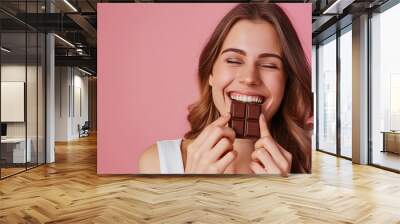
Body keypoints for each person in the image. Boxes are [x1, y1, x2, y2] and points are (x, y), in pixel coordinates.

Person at [139, 3, 313, 175]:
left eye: (269, 65)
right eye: (233, 61)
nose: (249, 78)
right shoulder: (159, 162)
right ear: (211, 74)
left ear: (287, 82)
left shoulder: (310, 165)